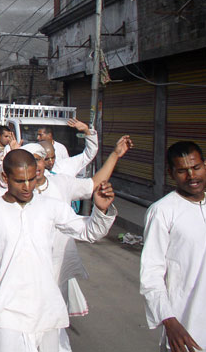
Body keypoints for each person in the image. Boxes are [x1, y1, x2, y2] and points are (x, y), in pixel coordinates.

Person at [0, 149, 118, 352]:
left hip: (46, 307)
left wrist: (101, 211)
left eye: (31, 179)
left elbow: (89, 232)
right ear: (5, 177)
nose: (28, 187)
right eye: (20, 181)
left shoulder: (51, 207)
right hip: (7, 308)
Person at [21, 137, 132, 352]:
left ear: (46, 162)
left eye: (39, 160)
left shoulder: (61, 183)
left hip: (57, 264)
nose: (35, 166)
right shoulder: (17, 193)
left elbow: (93, 184)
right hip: (28, 267)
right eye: (30, 161)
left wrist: (115, 155)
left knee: (53, 319)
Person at [140, 141, 206, 352]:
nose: (191, 176)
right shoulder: (162, 211)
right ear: (171, 173)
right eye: (182, 171)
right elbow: (151, 274)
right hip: (186, 333)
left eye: (196, 168)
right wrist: (169, 320)